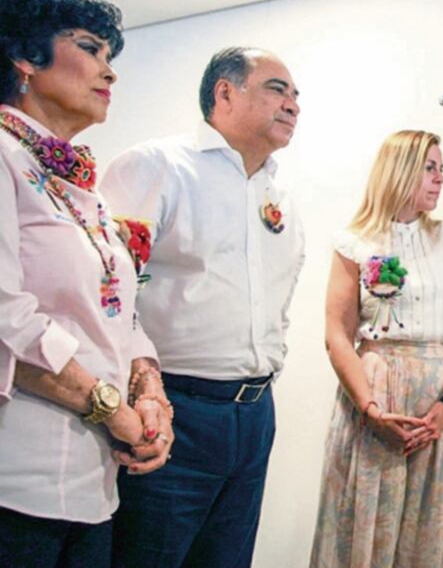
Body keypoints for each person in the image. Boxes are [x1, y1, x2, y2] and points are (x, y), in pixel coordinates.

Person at [99, 47, 305, 567]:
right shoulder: (158, 166)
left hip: (255, 414)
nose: (293, 104)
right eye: (277, 89)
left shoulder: (277, 190)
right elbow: (105, 293)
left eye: (296, 95)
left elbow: (278, 300)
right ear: (225, 92)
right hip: (176, 410)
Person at [0, 0, 172, 567]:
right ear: (25, 56)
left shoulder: (82, 188)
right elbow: (6, 316)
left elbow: (119, 312)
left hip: (94, 485)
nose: (110, 70)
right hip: (17, 479)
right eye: (91, 49)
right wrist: (111, 408)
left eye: (110, 55)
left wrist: (151, 396)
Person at [310, 130, 443, 567]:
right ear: (398, 169)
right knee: (363, 518)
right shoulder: (355, 242)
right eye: (429, 167)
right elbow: (336, 334)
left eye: (442, 169)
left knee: (429, 527)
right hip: (375, 397)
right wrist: (370, 410)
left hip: (437, 402)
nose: (440, 179)